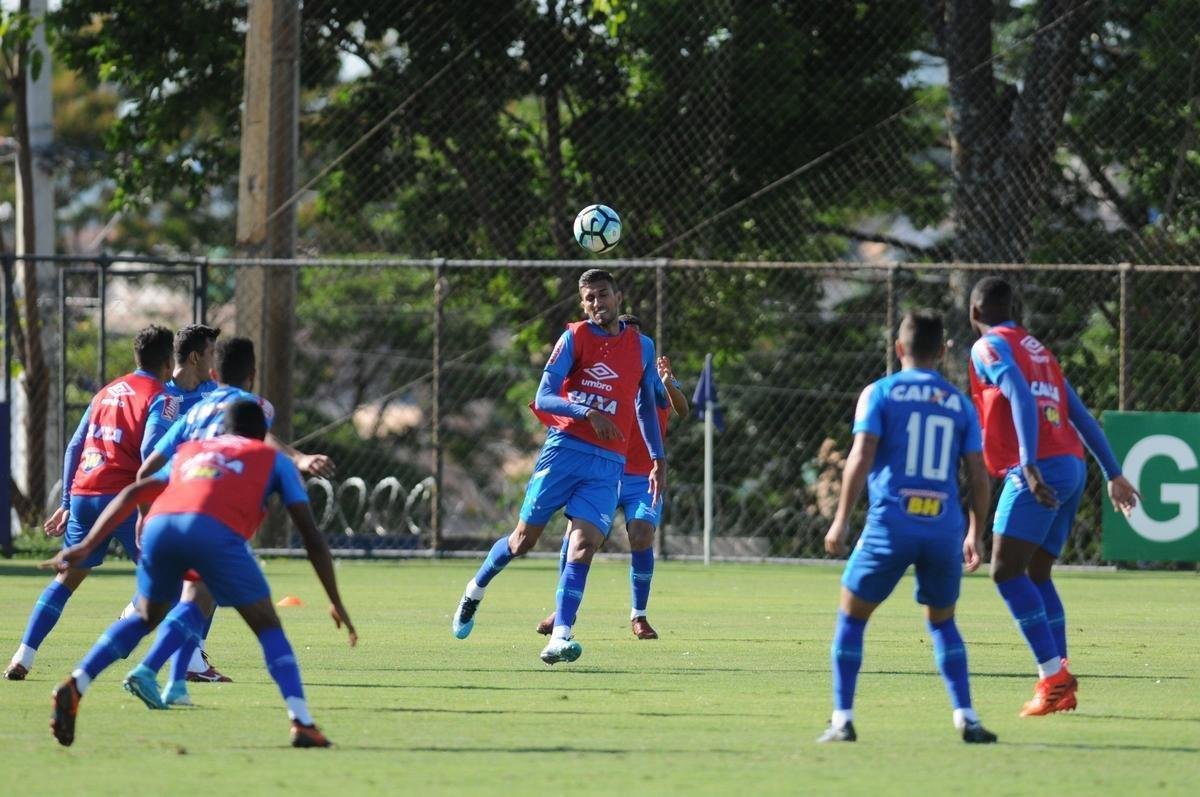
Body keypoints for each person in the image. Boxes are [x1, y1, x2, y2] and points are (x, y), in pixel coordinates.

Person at [43, 400, 356, 749]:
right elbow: (312, 537)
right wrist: (335, 600)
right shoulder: (274, 460)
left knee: (146, 614)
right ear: (262, 435)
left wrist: (87, 544)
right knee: (268, 625)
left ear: (223, 430)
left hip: (160, 526)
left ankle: (77, 682)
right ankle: (302, 721)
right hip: (214, 532)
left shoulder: (193, 451)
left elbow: (135, 489)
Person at [452, 269, 667, 664]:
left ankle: (561, 637)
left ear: (618, 297)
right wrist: (586, 411)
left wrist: (657, 457)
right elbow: (545, 396)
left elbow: (645, 406)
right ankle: (474, 590)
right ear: (582, 304)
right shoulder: (575, 337)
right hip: (565, 449)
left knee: (584, 545)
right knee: (523, 541)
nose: (596, 303)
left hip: (608, 462)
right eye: (589, 298)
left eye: (603, 295)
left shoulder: (643, 347)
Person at [124, 336, 336, 707]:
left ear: (215, 370)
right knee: (200, 600)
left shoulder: (201, 403)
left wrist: (145, 513)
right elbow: (257, 438)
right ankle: (144, 669)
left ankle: (176, 680)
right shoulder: (229, 405)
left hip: (177, 506)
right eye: (205, 351)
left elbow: (148, 466)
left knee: (197, 598)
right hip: (209, 509)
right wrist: (298, 459)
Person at [821, 311, 997, 744]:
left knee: (851, 617)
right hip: (942, 529)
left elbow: (861, 456)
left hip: (891, 524)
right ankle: (966, 716)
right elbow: (979, 473)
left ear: (899, 349)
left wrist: (841, 520)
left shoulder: (879, 393)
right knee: (942, 622)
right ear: (942, 351)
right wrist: (976, 532)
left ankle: (842, 720)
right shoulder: (959, 403)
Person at [968, 276, 1139, 716]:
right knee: (1037, 573)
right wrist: (1113, 472)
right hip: (1071, 465)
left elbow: (1020, 396)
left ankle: (1053, 678)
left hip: (1039, 468)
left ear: (974, 315)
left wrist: (1027, 463)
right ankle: (1060, 676)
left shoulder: (987, 347)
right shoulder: (1038, 350)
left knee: (1005, 571)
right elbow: (1078, 413)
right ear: (1014, 312)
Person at [4, 325, 175, 681]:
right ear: (168, 360)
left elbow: (74, 446)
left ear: (136, 356)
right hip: (126, 498)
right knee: (167, 580)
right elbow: (149, 451)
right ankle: (133, 635)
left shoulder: (106, 391)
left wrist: (67, 501)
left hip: (84, 493)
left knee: (68, 578)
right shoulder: (161, 396)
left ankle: (24, 654)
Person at [537, 313, 688, 640]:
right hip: (603, 472)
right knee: (574, 538)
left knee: (642, 534)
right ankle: (562, 612)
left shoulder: (650, 384)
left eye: (631, 340)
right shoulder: (601, 383)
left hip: (640, 478)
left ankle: (639, 615)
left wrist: (670, 383)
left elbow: (683, 410)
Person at [137, 323, 227, 682]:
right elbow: (150, 452)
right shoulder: (168, 401)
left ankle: (190, 654)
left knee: (207, 580)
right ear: (195, 357)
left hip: (205, 502)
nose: (213, 361)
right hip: (175, 503)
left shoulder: (212, 392)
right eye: (210, 353)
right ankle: (188, 657)